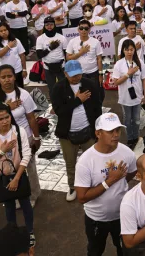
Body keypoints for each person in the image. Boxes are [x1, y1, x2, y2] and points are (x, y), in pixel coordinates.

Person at [74, 113, 137, 256]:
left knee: (125, 250)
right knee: (95, 251)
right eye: (110, 131)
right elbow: (82, 197)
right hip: (96, 218)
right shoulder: (86, 161)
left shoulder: (127, 153)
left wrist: (119, 184)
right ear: (98, 133)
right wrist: (110, 181)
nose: (115, 135)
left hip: (123, 215)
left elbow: (132, 172)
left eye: (118, 130)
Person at [0, 65, 41, 205]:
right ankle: (13, 194)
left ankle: (33, 194)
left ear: (15, 77)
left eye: (9, 76)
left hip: (23, 137)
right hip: (2, 140)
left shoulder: (23, 94)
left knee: (28, 166)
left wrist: (36, 137)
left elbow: (31, 118)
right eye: (3, 77)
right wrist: (7, 107)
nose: (7, 80)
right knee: (8, 167)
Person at [0, 103, 35, 247]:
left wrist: (17, 178)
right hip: (3, 177)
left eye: (7, 117)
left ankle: (30, 232)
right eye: (1, 119)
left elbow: (26, 154)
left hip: (19, 174)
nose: (5, 121)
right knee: (9, 207)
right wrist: (1, 152)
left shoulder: (19, 131)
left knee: (26, 205)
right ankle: (14, 233)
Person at [51, 60, 103, 202]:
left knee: (91, 161)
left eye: (78, 74)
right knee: (70, 162)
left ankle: (92, 185)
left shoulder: (89, 84)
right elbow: (59, 111)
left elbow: (97, 107)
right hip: (67, 134)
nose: (76, 78)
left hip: (88, 130)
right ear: (65, 74)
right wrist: (77, 100)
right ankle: (73, 186)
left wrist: (99, 128)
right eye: (72, 75)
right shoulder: (58, 88)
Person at [112, 39, 145, 146]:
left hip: (137, 97)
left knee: (137, 120)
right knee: (127, 120)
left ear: (134, 50)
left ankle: (135, 137)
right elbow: (116, 83)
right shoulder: (119, 64)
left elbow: (144, 79)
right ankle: (129, 139)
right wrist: (128, 74)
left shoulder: (139, 62)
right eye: (127, 50)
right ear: (123, 50)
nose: (129, 52)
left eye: (131, 49)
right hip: (125, 98)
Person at [66, 19, 105, 94]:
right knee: (81, 94)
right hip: (79, 74)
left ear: (89, 30)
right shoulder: (72, 41)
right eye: (81, 28)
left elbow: (99, 59)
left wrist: (100, 74)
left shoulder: (95, 42)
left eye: (86, 28)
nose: (83, 30)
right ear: (78, 29)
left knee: (95, 94)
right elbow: (68, 58)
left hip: (93, 73)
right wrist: (81, 52)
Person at [35, 17, 68, 95]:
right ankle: (54, 101)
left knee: (63, 86)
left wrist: (67, 67)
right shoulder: (40, 38)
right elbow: (39, 55)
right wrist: (50, 48)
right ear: (44, 26)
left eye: (51, 24)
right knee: (51, 87)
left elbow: (66, 54)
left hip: (61, 66)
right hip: (47, 66)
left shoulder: (61, 37)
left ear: (54, 25)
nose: (49, 26)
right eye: (47, 25)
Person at [0, 22, 27, 88]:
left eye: (5, 30)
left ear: (8, 30)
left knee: (19, 89)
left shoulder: (16, 41)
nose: (3, 32)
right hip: (4, 72)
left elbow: (22, 55)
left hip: (17, 70)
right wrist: (8, 46)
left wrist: (24, 69)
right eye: (1, 31)